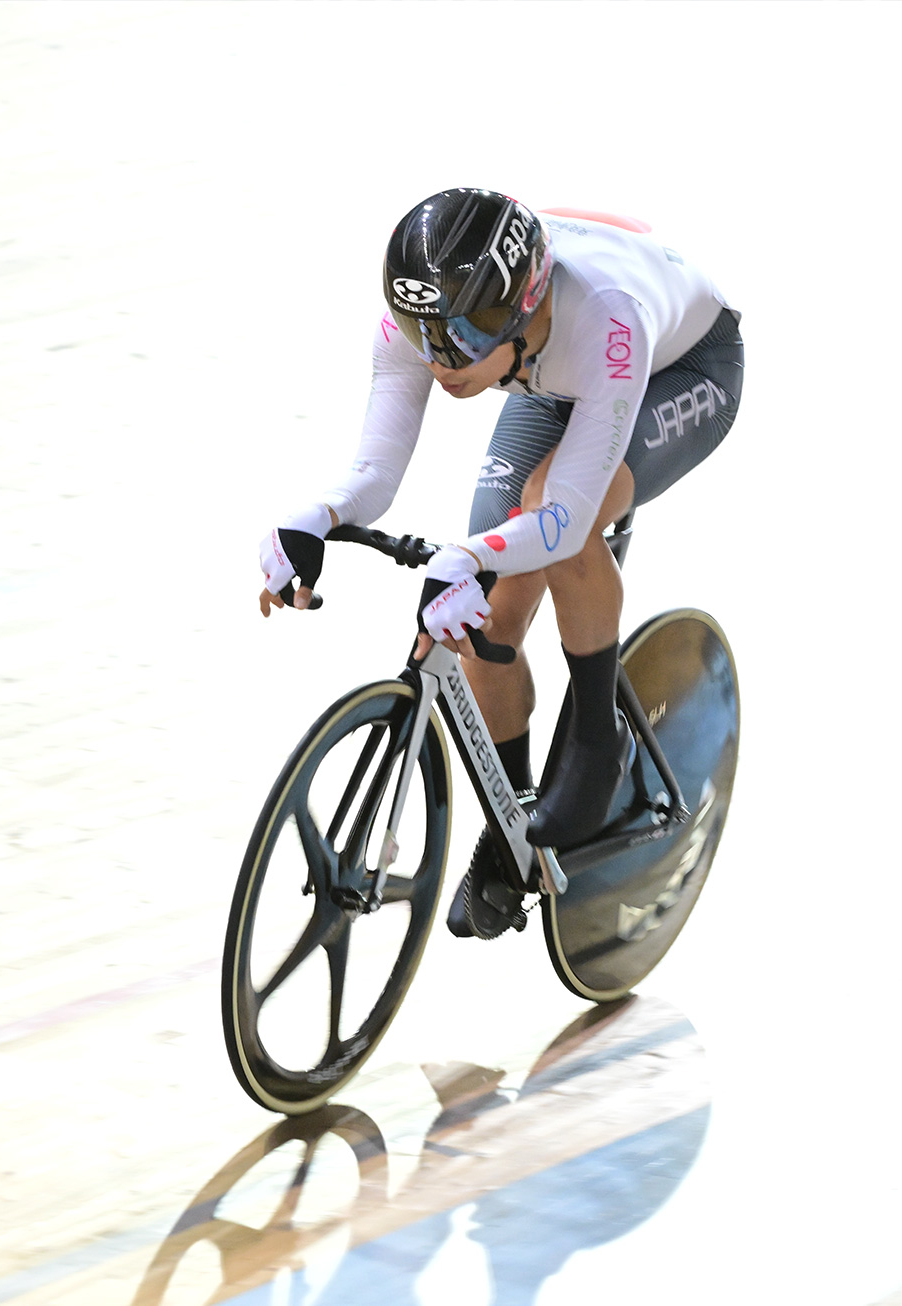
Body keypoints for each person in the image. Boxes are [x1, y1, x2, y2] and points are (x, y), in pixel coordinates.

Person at [256, 189, 743, 938]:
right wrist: (313, 519)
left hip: (674, 365)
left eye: (470, 333)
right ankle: (513, 827)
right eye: (428, 335)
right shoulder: (429, 324)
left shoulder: (604, 317)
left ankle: (595, 743)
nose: (445, 359)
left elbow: (562, 519)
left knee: (550, 514)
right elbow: (374, 474)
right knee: (489, 615)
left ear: (524, 304)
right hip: (550, 376)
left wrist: (472, 555)